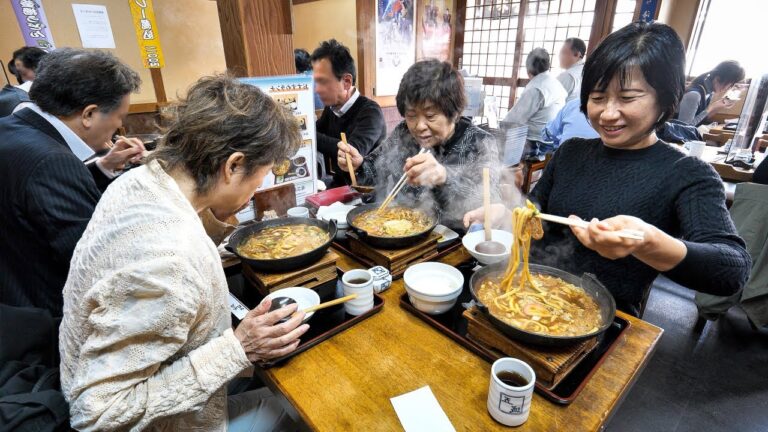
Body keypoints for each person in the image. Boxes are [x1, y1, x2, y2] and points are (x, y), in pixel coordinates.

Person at [59, 75, 307, 431]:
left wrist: (220, 213)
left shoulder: (139, 180)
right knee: (297, 410)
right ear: (234, 165)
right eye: (262, 176)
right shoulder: (169, 261)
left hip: (112, 376)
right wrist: (239, 348)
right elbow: (97, 415)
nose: (257, 190)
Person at [464, 22, 751, 316]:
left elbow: (732, 270)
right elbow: (535, 209)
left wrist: (648, 242)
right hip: (520, 296)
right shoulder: (570, 152)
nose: (608, 113)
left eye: (627, 98)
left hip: (603, 318)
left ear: (665, 99)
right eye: (598, 98)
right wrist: (508, 211)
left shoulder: (687, 173)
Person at [0, 48, 145, 316]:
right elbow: (93, 262)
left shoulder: (10, 127)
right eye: (119, 118)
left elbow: (34, 199)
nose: (118, 127)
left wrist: (102, 167)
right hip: (41, 318)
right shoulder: (53, 161)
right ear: (89, 114)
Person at [338, 59, 501, 230]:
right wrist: (357, 164)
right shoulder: (404, 133)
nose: (419, 126)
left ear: (453, 113)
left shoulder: (481, 142)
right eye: (411, 115)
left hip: (453, 244)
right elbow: (373, 172)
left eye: (430, 116)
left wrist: (444, 177)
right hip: (399, 231)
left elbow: (491, 203)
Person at [312, 39, 386, 187]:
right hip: (340, 185)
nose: (317, 89)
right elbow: (317, 133)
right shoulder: (332, 108)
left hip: (368, 190)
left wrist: (307, 134)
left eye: (323, 82)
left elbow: (348, 153)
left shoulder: (371, 113)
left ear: (346, 81)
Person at [503, 48, 567, 159]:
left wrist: (498, 129)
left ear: (529, 69)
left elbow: (514, 119)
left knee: (495, 153)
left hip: (535, 143)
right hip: (553, 142)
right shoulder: (555, 83)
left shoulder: (536, 87)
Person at [676, 60, 745, 126]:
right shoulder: (694, 95)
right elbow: (683, 128)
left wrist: (719, 107)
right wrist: (711, 108)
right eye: (730, 85)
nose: (729, 88)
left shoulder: (708, 92)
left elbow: (700, 120)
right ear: (717, 79)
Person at [556, 37, 586, 102]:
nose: (559, 56)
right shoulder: (587, 71)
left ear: (577, 54)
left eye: (563, 52)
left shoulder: (568, 76)